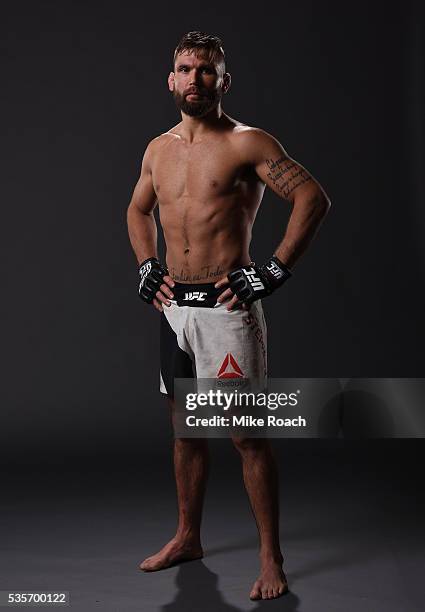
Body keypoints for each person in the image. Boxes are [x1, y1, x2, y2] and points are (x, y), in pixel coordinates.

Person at [127, 31, 331, 601]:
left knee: (247, 436)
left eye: (208, 70)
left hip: (226, 312)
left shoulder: (247, 143)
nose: (196, 79)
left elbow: (313, 198)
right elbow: (136, 209)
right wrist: (147, 265)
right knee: (185, 430)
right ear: (171, 79)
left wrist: (272, 271)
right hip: (175, 313)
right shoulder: (156, 149)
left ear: (224, 80)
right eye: (187, 69)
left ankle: (272, 559)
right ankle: (188, 537)